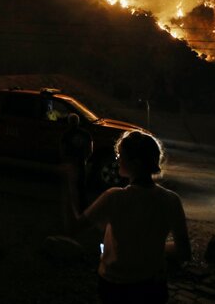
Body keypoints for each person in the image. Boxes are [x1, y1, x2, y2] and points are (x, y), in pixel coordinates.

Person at [63, 130, 191, 304]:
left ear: (135, 163)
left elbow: (73, 228)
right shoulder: (171, 200)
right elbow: (183, 251)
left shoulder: (114, 197)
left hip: (116, 286)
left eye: (120, 155)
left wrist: (69, 185)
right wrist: (151, 245)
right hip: (152, 287)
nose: (117, 160)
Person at [60, 113, 93, 211]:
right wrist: (86, 158)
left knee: (71, 185)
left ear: (69, 122)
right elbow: (90, 149)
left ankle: (73, 206)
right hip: (81, 161)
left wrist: (64, 160)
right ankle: (83, 206)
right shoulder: (86, 134)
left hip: (71, 161)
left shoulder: (66, 134)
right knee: (81, 185)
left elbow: (62, 149)